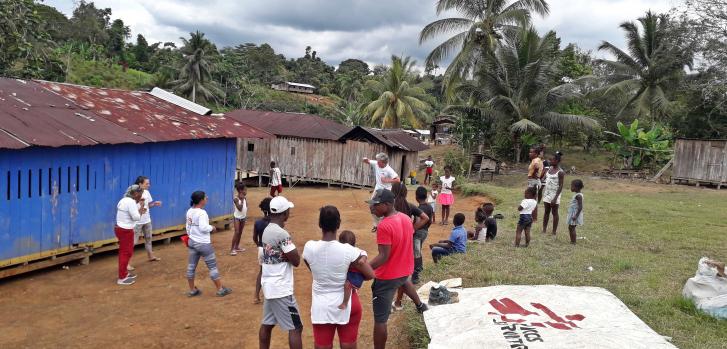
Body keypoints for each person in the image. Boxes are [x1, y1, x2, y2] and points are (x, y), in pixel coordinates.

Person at [303, 208, 375, 349]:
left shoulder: (309, 248)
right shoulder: (349, 251)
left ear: (319, 224)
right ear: (338, 224)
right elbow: (370, 274)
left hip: (321, 306)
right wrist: (354, 276)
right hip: (348, 303)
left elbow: (312, 268)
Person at [367, 189, 427, 349]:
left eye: (375, 205)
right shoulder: (406, 218)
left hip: (387, 277)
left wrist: (364, 268)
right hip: (405, 269)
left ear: (386, 205)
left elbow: (383, 256)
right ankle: (421, 306)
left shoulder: (384, 225)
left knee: (380, 320)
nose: (372, 208)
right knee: (405, 282)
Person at [259, 196, 302, 349]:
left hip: (269, 286)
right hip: (281, 289)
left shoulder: (266, 231)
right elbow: (296, 260)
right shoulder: (282, 234)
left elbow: (267, 257)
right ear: (285, 213)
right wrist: (286, 256)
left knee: (267, 324)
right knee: (296, 327)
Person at [185, 191, 232, 297]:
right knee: (212, 267)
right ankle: (220, 289)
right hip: (203, 243)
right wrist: (212, 228)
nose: (207, 198)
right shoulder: (202, 213)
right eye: (205, 197)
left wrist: (191, 236)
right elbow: (203, 227)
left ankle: (192, 290)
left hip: (192, 242)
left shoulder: (189, 211)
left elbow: (188, 227)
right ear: (201, 200)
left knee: (191, 267)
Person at [391, 183, 430, 309]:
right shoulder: (410, 206)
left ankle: (390, 302)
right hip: (406, 242)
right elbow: (425, 218)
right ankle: (398, 302)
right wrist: (412, 229)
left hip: (393, 242)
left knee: (391, 273)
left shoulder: (391, 206)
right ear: (406, 193)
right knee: (402, 274)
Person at [129, 176, 162, 272]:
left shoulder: (147, 192)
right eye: (146, 183)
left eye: (148, 183)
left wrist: (154, 204)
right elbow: (131, 208)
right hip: (137, 222)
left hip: (147, 220)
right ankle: (127, 263)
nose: (149, 185)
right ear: (140, 184)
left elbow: (149, 205)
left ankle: (150, 256)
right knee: (133, 242)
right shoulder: (133, 194)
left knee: (149, 239)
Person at [115, 185, 146, 285]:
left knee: (126, 252)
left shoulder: (124, 200)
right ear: (135, 193)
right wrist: (141, 208)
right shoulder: (130, 202)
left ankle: (124, 273)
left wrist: (138, 205)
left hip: (120, 228)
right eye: (140, 193)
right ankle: (121, 278)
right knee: (125, 253)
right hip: (125, 230)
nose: (141, 196)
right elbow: (136, 217)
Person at [362, 153, 400, 232]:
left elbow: (397, 179)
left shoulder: (389, 169)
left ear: (383, 162)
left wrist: (387, 180)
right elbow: (368, 161)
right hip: (377, 190)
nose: (377, 163)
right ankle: (376, 224)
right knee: (372, 206)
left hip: (386, 191)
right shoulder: (377, 163)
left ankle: (384, 224)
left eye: (379, 161)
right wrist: (365, 160)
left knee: (385, 209)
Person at [337, 230, 366, 310]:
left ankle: (345, 303)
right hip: (350, 274)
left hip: (356, 276)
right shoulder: (341, 252)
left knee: (347, 285)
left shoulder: (356, 251)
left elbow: (364, 253)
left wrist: (362, 259)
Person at [253, 197, 273, 304]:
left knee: (261, 271)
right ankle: (270, 295)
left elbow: (254, 237)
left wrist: (259, 246)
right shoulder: (273, 223)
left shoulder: (258, 223)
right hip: (270, 249)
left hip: (261, 248)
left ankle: (256, 295)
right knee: (272, 271)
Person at [541, 152, 565, 235]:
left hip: (555, 194)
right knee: (546, 211)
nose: (550, 161)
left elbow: (561, 185)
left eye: (552, 160)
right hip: (547, 193)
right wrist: (541, 180)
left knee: (554, 212)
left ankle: (554, 231)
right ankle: (544, 229)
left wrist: (555, 198)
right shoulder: (549, 168)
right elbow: (544, 178)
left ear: (557, 161)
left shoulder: (560, 172)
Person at [230, 182, 248, 255]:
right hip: (237, 218)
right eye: (245, 190)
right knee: (237, 232)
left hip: (243, 218)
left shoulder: (245, 198)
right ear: (240, 191)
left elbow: (245, 207)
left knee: (240, 232)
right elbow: (240, 208)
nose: (246, 191)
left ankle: (237, 247)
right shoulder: (236, 199)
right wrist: (243, 200)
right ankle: (232, 249)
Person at [567, 179, 584, 245]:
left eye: (572, 186)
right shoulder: (577, 194)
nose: (571, 187)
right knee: (571, 227)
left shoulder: (578, 196)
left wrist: (576, 216)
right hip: (573, 213)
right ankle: (572, 241)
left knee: (572, 227)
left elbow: (580, 207)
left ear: (577, 187)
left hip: (575, 214)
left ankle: (573, 242)